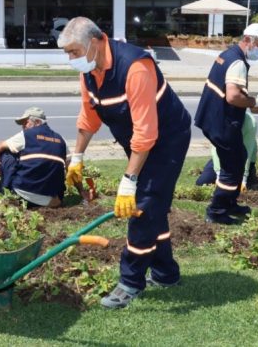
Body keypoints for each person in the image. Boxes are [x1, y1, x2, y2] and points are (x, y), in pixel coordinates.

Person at [58, 17, 192, 309]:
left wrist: (128, 181)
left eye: (73, 51)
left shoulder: (135, 68)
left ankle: (130, 282)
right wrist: (77, 157)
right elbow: (88, 117)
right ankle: (166, 273)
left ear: (95, 42)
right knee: (153, 208)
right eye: (66, 53)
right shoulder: (90, 72)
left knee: (141, 207)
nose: (70, 59)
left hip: (167, 138)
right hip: (139, 140)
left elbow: (146, 132)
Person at [194, 23, 258, 225]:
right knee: (233, 166)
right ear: (249, 40)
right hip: (222, 122)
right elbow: (232, 96)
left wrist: (249, 102)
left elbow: (231, 91)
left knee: (238, 159)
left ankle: (230, 204)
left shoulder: (227, 55)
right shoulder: (237, 62)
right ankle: (217, 211)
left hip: (212, 118)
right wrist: (255, 102)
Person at [0, 107, 67, 208]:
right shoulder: (61, 140)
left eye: (25, 123)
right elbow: (71, 166)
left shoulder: (27, 135)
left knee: (7, 153)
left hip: (23, 195)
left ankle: (5, 194)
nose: (23, 127)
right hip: (52, 201)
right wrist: (81, 191)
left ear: (37, 122)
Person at [196, 111, 258, 190]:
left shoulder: (250, 122)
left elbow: (247, 151)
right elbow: (216, 149)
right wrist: (219, 175)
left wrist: (244, 179)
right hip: (224, 155)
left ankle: (251, 176)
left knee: (239, 185)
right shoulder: (218, 120)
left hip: (243, 154)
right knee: (202, 182)